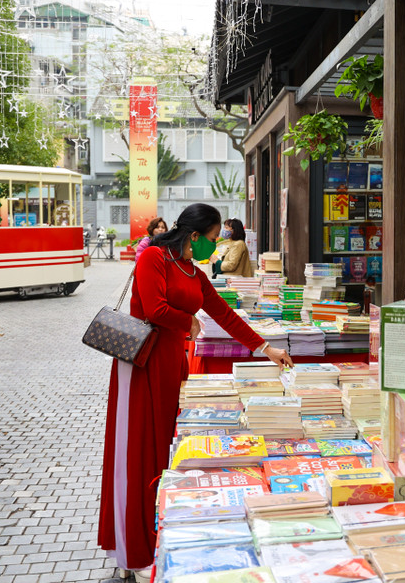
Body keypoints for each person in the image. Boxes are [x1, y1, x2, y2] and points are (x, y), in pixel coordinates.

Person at [97, 203, 292, 582]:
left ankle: (157, 537)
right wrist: (188, 321)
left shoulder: (192, 270)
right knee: (137, 451)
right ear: (195, 235)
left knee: (164, 449)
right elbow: (154, 308)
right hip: (139, 366)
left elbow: (223, 313)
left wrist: (266, 348)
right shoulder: (154, 257)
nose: (215, 247)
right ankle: (129, 547)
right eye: (214, 239)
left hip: (172, 364)